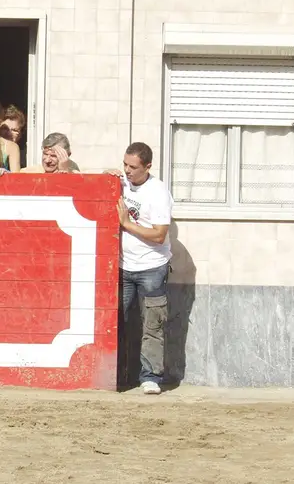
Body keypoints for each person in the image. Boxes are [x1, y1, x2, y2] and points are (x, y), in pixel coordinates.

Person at [105, 141, 173, 395]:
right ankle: (117, 375)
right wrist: (107, 176)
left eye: (133, 167)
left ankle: (151, 376)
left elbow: (158, 235)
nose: (127, 170)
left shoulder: (158, 192)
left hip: (152, 267)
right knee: (115, 322)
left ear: (148, 167)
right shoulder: (121, 181)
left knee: (152, 324)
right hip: (123, 266)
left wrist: (126, 224)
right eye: (125, 164)